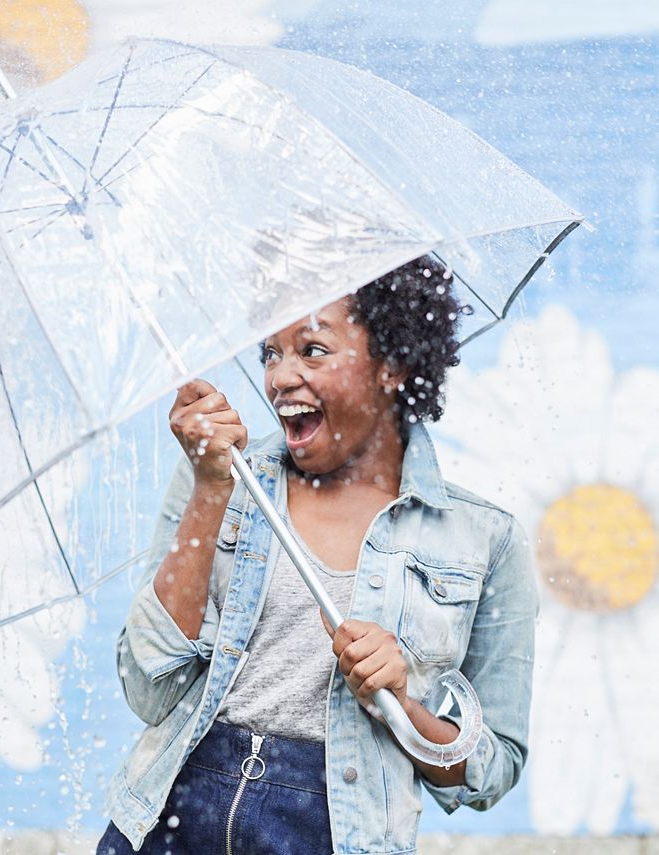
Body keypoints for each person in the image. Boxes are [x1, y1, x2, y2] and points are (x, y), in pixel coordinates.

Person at [97, 255, 538, 855]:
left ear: (392, 364)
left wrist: (398, 704)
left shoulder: (484, 539)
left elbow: (492, 770)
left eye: (312, 350)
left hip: (333, 834)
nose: (280, 377)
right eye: (270, 354)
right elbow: (148, 690)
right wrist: (210, 488)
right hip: (166, 819)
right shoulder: (221, 478)